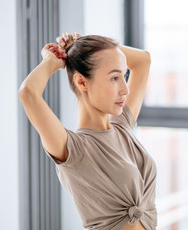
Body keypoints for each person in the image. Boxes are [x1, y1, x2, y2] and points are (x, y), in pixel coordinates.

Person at [18, 32, 158, 230]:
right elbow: (28, 93)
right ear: (82, 82)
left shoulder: (122, 125)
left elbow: (144, 60)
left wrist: (78, 45)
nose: (125, 89)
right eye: (115, 78)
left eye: (124, 76)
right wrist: (52, 61)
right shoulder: (74, 150)